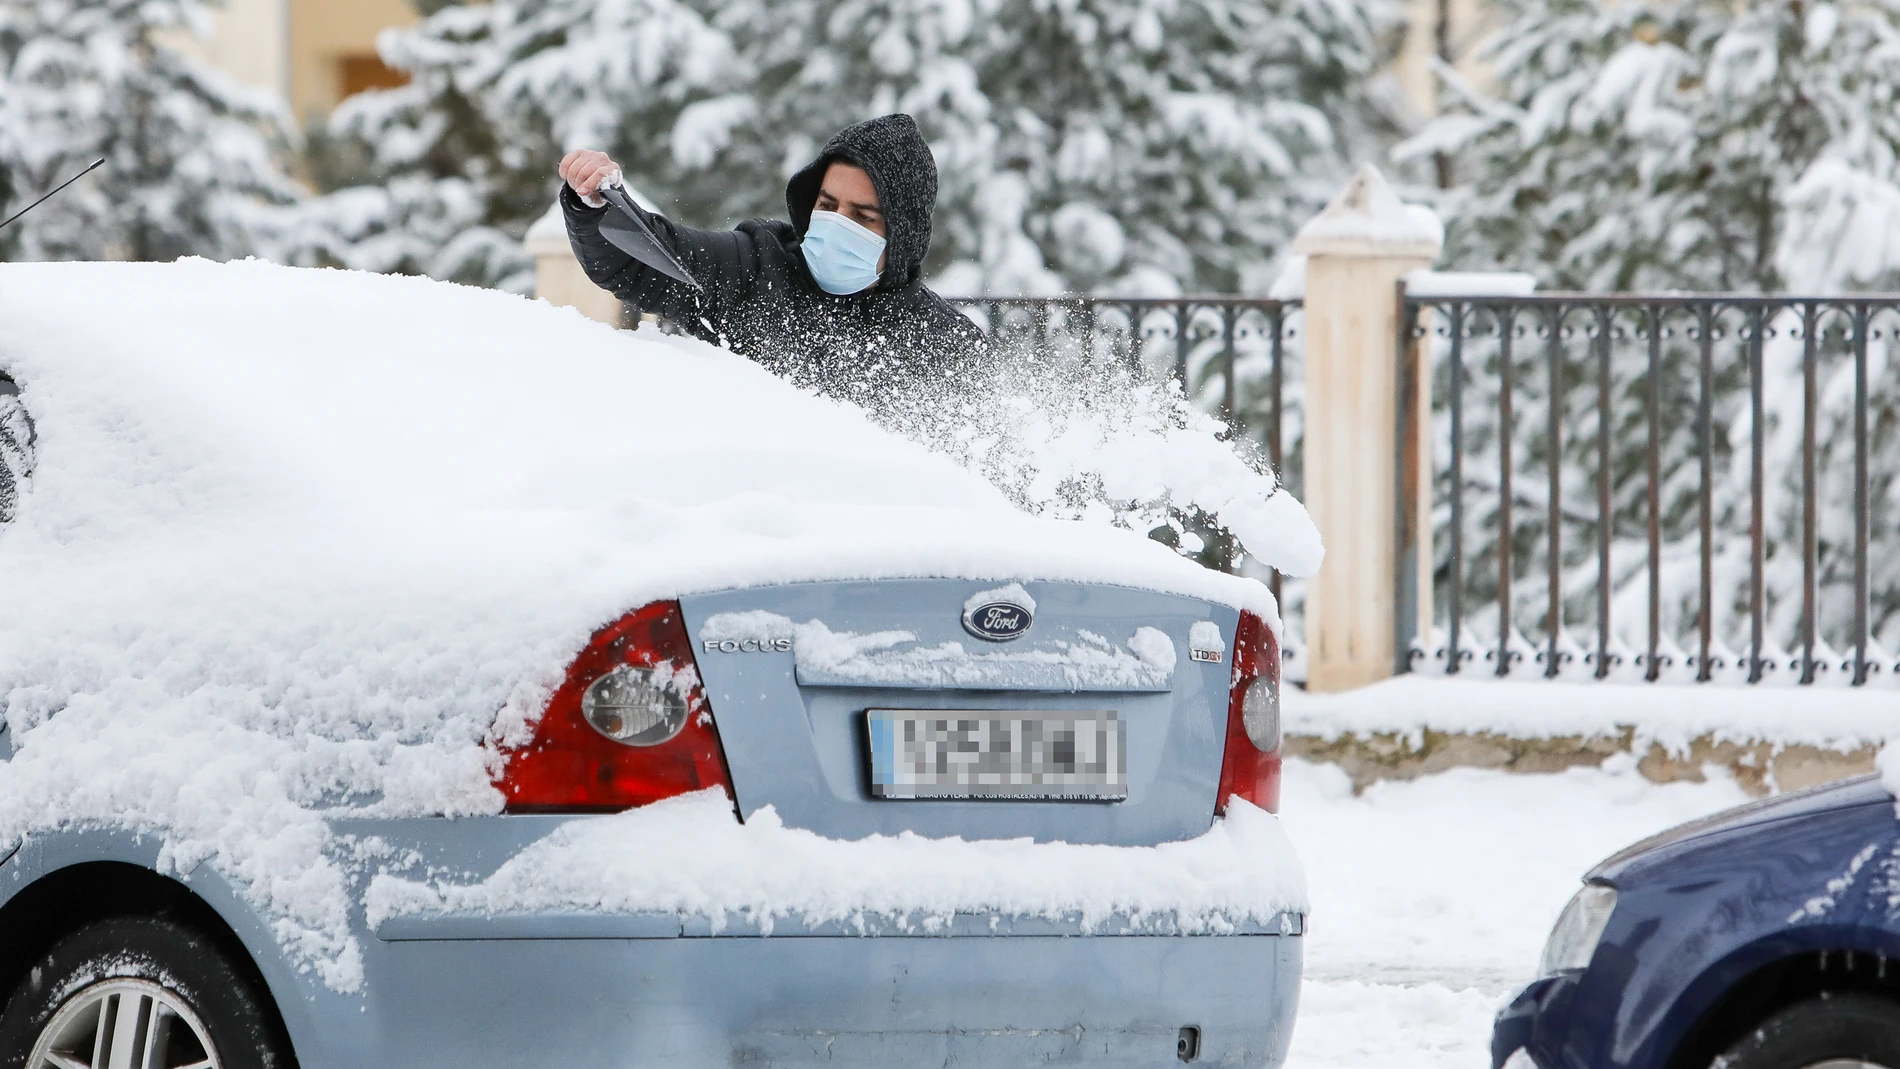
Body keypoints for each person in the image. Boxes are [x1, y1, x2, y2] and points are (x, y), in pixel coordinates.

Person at [558, 113, 982, 393]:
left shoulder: (948, 345)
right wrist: (596, 204)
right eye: (828, 206)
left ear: (903, 235)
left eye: (863, 216)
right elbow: (641, 257)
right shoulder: (755, 267)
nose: (837, 225)